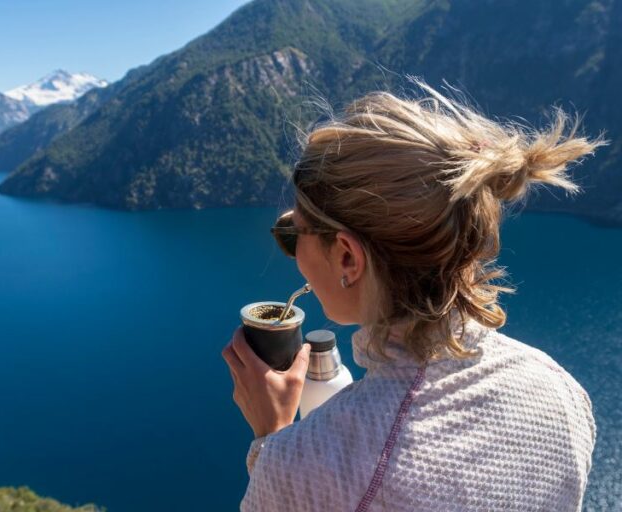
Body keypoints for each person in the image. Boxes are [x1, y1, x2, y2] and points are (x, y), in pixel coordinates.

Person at [221, 81, 605, 511]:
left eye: (295, 234)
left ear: (348, 257)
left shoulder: (306, 467)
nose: (292, 253)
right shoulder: (560, 392)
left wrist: (273, 438)